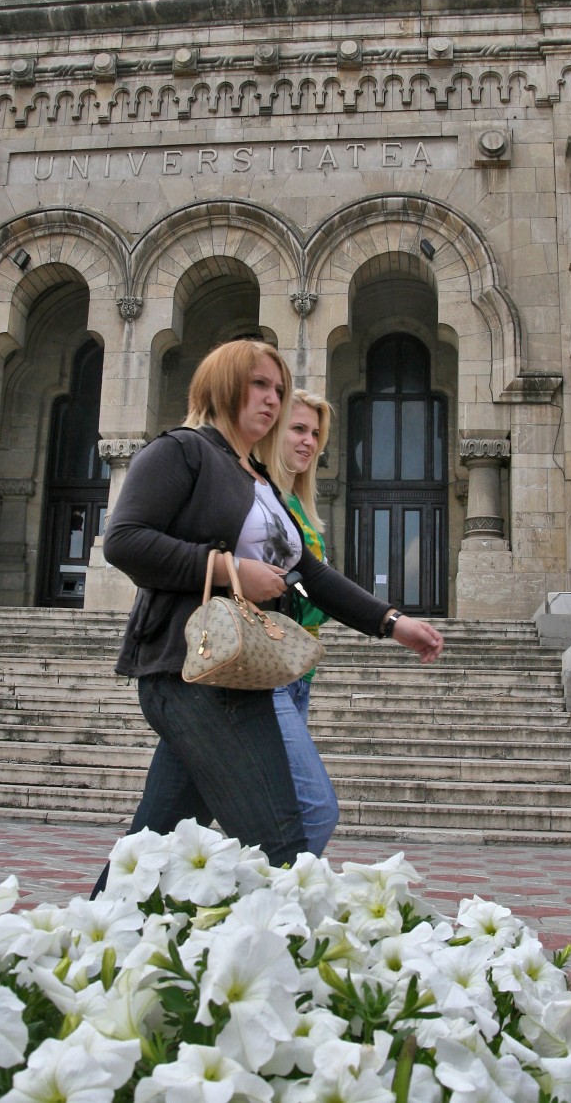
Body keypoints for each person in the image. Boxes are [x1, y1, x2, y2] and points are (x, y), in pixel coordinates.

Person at [92, 339, 444, 887]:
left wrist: (391, 623)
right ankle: (288, 957)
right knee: (283, 843)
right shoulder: (182, 451)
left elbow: (312, 572)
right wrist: (226, 567)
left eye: (278, 389)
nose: (273, 400)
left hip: (237, 676)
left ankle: (88, 945)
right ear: (223, 385)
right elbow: (125, 541)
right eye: (260, 385)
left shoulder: (257, 479)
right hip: (192, 672)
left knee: (153, 847)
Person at [262, 390, 339, 855]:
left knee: (171, 819)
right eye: (298, 429)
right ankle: (274, 916)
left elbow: (311, 589)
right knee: (312, 810)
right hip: (263, 671)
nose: (309, 442)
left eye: (316, 433)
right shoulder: (259, 500)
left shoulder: (298, 508)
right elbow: (307, 592)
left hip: (296, 673)